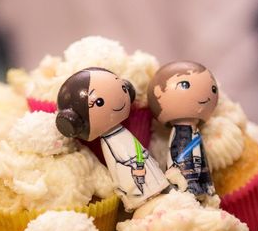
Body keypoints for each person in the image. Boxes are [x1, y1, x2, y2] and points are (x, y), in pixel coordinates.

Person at [56, 67, 174, 211]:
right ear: (74, 122)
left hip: (140, 167)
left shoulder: (121, 134)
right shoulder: (111, 140)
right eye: (99, 102)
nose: (119, 100)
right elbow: (123, 158)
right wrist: (136, 163)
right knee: (141, 192)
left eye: (123, 89)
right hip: (134, 173)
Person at [148, 61, 219, 205]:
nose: (204, 95)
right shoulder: (181, 132)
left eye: (212, 89)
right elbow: (177, 156)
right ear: (159, 93)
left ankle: (201, 186)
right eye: (185, 85)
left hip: (199, 180)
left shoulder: (193, 131)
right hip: (183, 188)